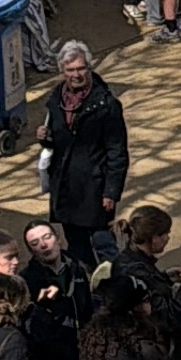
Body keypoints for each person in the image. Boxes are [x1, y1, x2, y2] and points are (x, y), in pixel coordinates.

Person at [37, 42, 129, 269]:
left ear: (89, 68)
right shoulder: (55, 100)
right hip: (66, 189)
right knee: (77, 248)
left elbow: (117, 151)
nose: (76, 75)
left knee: (104, 244)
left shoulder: (106, 105)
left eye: (81, 69)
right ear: (62, 71)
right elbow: (58, 143)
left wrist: (111, 191)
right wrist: (45, 138)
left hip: (95, 188)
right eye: (70, 70)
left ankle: (118, 290)